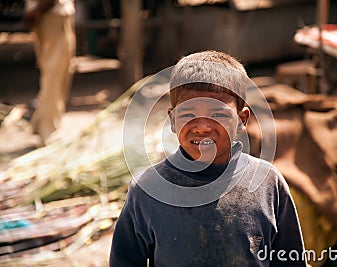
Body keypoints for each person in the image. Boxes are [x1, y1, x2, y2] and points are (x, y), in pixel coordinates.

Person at [110, 50, 306, 266]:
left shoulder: (268, 183)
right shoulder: (147, 190)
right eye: (188, 114)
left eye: (218, 115)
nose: (202, 127)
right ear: (172, 120)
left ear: (242, 120)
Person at [23, 0, 76, 145]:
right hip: (53, 13)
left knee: (52, 72)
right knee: (56, 73)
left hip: (47, 13)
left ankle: (40, 123)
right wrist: (40, 8)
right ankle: (49, 132)